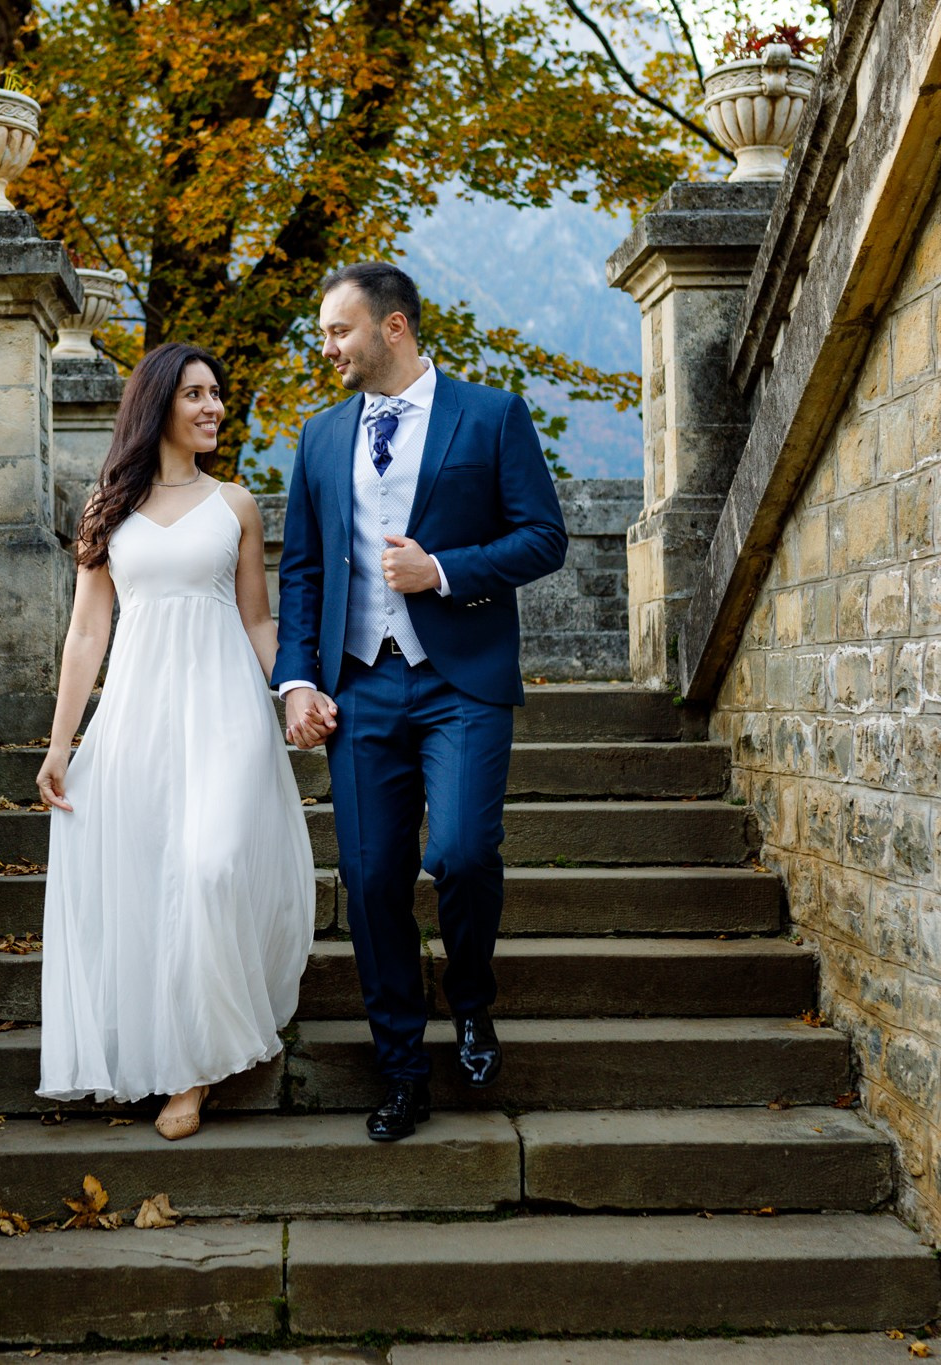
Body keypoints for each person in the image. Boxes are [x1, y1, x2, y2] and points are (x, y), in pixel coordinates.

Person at [273, 262, 568, 1142]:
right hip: (360, 686)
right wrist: (296, 680)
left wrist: (442, 570)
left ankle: (471, 1001)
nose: (327, 348)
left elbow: (543, 537)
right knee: (369, 884)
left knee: (466, 853)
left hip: (459, 679)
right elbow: (302, 569)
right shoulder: (320, 437)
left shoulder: (492, 415)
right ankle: (402, 1069)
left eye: (339, 331)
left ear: (393, 328)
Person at [35, 342, 315, 1141]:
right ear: (157, 404)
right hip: (137, 716)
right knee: (150, 875)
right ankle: (172, 1055)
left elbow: (259, 620)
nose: (212, 407)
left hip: (226, 711)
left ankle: (197, 1068)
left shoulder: (236, 505)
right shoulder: (108, 508)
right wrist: (61, 744)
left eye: (217, 394)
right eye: (195, 394)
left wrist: (297, 690)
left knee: (211, 863)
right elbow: (87, 630)